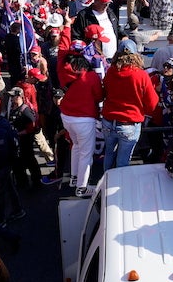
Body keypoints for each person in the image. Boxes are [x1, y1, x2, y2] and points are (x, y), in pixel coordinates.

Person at [100, 48, 158, 171]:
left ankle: (106, 181)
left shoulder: (111, 71)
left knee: (109, 154)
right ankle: (117, 187)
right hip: (129, 124)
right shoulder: (141, 75)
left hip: (109, 121)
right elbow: (152, 103)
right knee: (123, 161)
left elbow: (103, 92)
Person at [57, 52, 103, 198]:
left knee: (76, 147)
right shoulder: (91, 76)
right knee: (86, 155)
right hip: (83, 120)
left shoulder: (68, 75)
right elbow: (99, 96)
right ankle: (81, 188)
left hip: (67, 117)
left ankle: (74, 179)